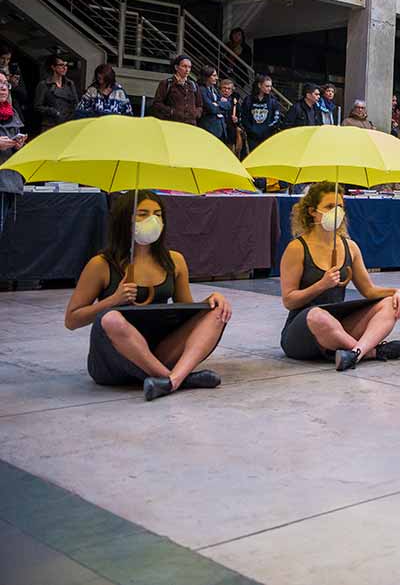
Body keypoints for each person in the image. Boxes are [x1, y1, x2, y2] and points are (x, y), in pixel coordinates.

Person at [63, 192, 233, 401]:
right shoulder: (101, 264)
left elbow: (186, 311)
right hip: (115, 358)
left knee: (218, 312)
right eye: (142, 214)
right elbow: (71, 320)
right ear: (124, 220)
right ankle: (179, 379)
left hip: (160, 352)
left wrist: (210, 302)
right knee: (112, 319)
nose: (152, 220)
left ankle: (170, 380)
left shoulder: (175, 261)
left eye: (158, 214)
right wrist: (112, 301)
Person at [279, 182, 400, 370]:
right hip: (304, 329)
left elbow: (369, 291)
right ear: (312, 211)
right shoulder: (297, 248)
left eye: (340, 207)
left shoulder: (350, 247)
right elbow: (289, 301)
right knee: (318, 315)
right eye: (329, 207)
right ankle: (369, 351)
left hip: (337, 326)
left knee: (389, 304)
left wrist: (396, 291)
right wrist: (321, 285)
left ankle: (352, 354)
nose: (336, 212)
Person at [149, 55, 201, 125]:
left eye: (189, 67)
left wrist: (195, 113)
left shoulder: (193, 85)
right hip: (172, 123)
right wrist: (172, 112)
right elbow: (157, 103)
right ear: (176, 67)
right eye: (184, 66)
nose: (187, 70)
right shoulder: (167, 83)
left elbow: (199, 105)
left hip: (190, 124)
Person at [34, 54, 79, 131]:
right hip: (50, 124)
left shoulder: (70, 83)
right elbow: (37, 106)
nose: (65, 68)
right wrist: (53, 111)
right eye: (61, 65)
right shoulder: (44, 84)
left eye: (66, 65)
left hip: (68, 123)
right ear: (53, 67)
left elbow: (76, 103)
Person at [244, 75, 282, 152]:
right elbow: (244, 117)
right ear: (259, 85)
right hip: (252, 136)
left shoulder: (273, 101)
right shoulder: (248, 99)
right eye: (267, 86)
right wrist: (251, 129)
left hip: (267, 136)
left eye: (270, 86)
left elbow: (277, 119)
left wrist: (267, 130)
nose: (269, 88)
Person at [198, 67, 230, 141]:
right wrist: (221, 105)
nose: (217, 78)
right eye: (214, 75)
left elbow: (228, 104)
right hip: (209, 128)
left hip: (220, 127)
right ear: (207, 77)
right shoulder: (202, 90)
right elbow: (211, 108)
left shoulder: (214, 89)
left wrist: (217, 104)